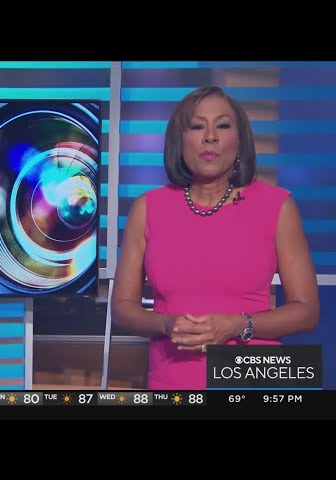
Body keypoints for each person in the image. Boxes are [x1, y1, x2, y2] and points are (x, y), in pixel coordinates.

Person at [111, 86, 319, 390]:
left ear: (240, 140)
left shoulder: (277, 206)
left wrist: (237, 325)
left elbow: (306, 311)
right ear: (179, 140)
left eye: (222, 125)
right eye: (197, 126)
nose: (210, 137)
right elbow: (122, 308)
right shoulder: (147, 208)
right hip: (172, 383)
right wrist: (165, 323)